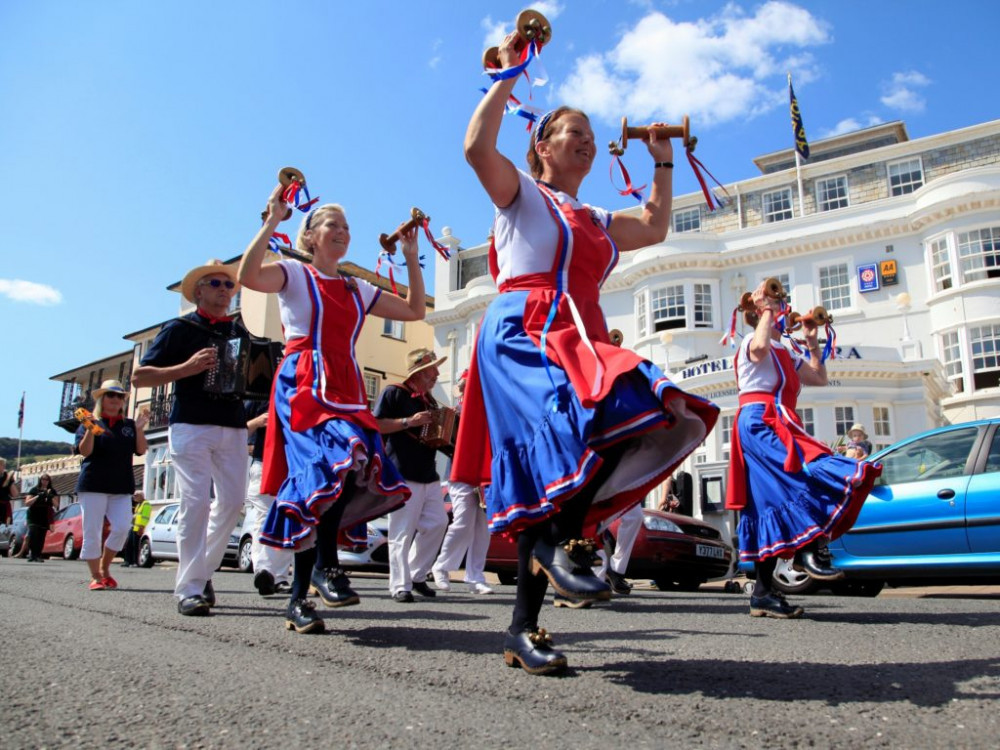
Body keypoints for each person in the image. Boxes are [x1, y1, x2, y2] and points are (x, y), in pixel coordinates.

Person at [453, 33, 718, 675]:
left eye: (592, 134)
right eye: (573, 131)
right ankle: (559, 545)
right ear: (542, 147)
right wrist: (512, 73)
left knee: (627, 417)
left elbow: (654, 226)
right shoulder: (518, 192)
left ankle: (527, 619)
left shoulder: (596, 216)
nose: (587, 140)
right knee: (587, 426)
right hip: (523, 328)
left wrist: (661, 161)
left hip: (579, 330)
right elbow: (474, 148)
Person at [237, 186, 423, 633]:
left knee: (344, 469)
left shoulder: (357, 287)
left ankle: (304, 593)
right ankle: (318, 572)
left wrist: (413, 256)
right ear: (311, 235)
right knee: (325, 465)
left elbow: (416, 310)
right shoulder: (292, 274)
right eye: (332, 225)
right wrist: (271, 221)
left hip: (345, 382)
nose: (342, 231)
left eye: (346, 226)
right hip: (303, 381)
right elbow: (247, 276)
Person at [725, 281, 882, 619]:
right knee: (808, 473)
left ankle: (763, 594)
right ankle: (809, 549)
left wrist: (812, 343)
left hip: (781, 420)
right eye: (775, 308)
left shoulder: (787, 350)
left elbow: (818, 377)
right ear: (761, 314)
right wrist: (766, 307)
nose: (783, 312)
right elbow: (759, 350)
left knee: (768, 503)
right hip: (759, 421)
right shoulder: (751, 341)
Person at [132, 259, 250, 616]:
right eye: (215, 283)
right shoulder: (179, 328)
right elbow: (139, 377)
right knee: (195, 502)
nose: (224, 290)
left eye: (229, 285)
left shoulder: (240, 331)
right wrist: (186, 369)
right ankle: (190, 589)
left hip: (233, 424)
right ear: (199, 291)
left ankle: (200, 572)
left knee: (232, 502)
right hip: (191, 424)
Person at [373, 349, 451, 602]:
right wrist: (408, 422)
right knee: (402, 532)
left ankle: (417, 574)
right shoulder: (394, 392)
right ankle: (399, 586)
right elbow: (375, 425)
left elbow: (432, 436)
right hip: (402, 472)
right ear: (418, 372)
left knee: (439, 523)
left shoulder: (429, 400)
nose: (437, 374)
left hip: (428, 474)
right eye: (432, 370)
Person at [74, 380, 148, 590]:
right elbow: (85, 451)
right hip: (93, 484)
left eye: (119, 396)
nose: (115, 400)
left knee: (123, 527)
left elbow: (141, 451)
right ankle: (96, 576)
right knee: (93, 531)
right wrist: (90, 427)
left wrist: (140, 429)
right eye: (110, 395)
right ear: (102, 398)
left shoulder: (129, 425)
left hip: (121, 485)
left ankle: (105, 568)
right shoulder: (90, 421)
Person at [430, 372, 493, 596]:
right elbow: (445, 443)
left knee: (483, 528)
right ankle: (442, 566)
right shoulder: (456, 412)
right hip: (460, 473)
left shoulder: (490, 411)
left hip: (485, 474)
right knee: (463, 522)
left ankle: (475, 576)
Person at [244, 398, 292, 596]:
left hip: (291, 465)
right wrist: (257, 422)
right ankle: (264, 570)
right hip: (264, 464)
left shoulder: (294, 394)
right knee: (265, 518)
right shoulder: (257, 397)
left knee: (287, 519)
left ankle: (279, 576)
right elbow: (238, 435)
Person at [23, 474, 57, 562]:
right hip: (33, 514)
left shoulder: (52, 491)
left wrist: (50, 497)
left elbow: (56, 505)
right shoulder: (34, 490)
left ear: (49, 481)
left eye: (47, 480)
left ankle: (38, 555)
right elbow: (27, 503)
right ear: (40, 480)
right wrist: (38, 496)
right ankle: (32, 554)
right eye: (43, 479)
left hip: (45, 515)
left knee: (41, 536)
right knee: (33, 534)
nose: (45, 481)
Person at [126, 491, 151, 566]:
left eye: (136, 496)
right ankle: (128, 561)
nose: (134, 497)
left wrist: (141, 527)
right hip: (133, 527)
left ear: (141, 496)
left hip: (139, 528)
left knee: (136, 545)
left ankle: (135, 562)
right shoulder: (138, 504)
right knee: (129, 544)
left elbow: (145, 518)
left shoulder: (146, 504)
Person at [0, 458, 19, 526]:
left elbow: (15, 494)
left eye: (3, 465)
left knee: (5, 531)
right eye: (1, 465)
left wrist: (10, 481)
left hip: (4, 508)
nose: (3, 467)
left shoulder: (6, 476)